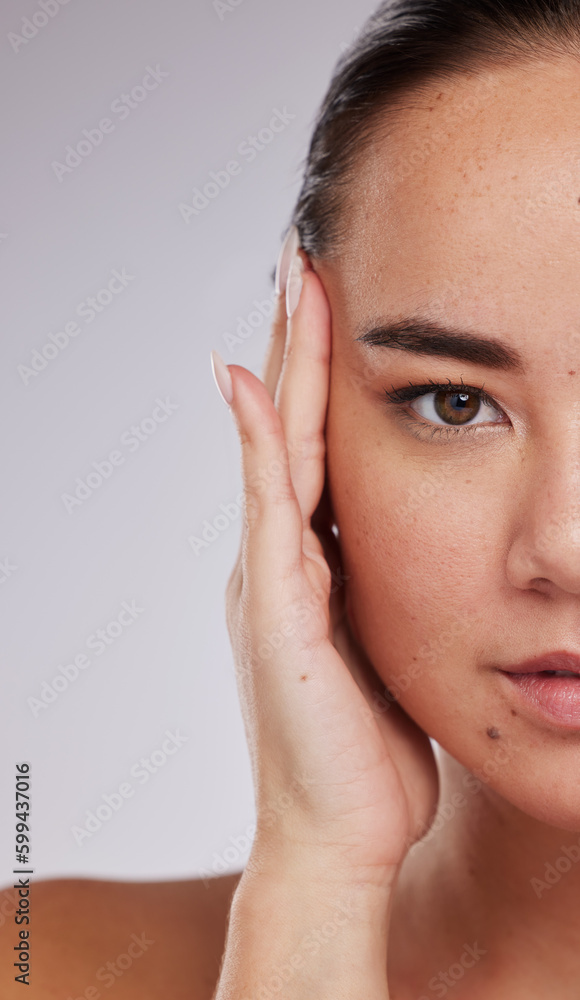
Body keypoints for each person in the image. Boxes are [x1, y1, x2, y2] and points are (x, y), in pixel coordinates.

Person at [4, 0, 580, 995]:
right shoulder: (41, 964)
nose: (565, 545)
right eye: (454, 403)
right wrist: (316, 876)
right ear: (304, 420)